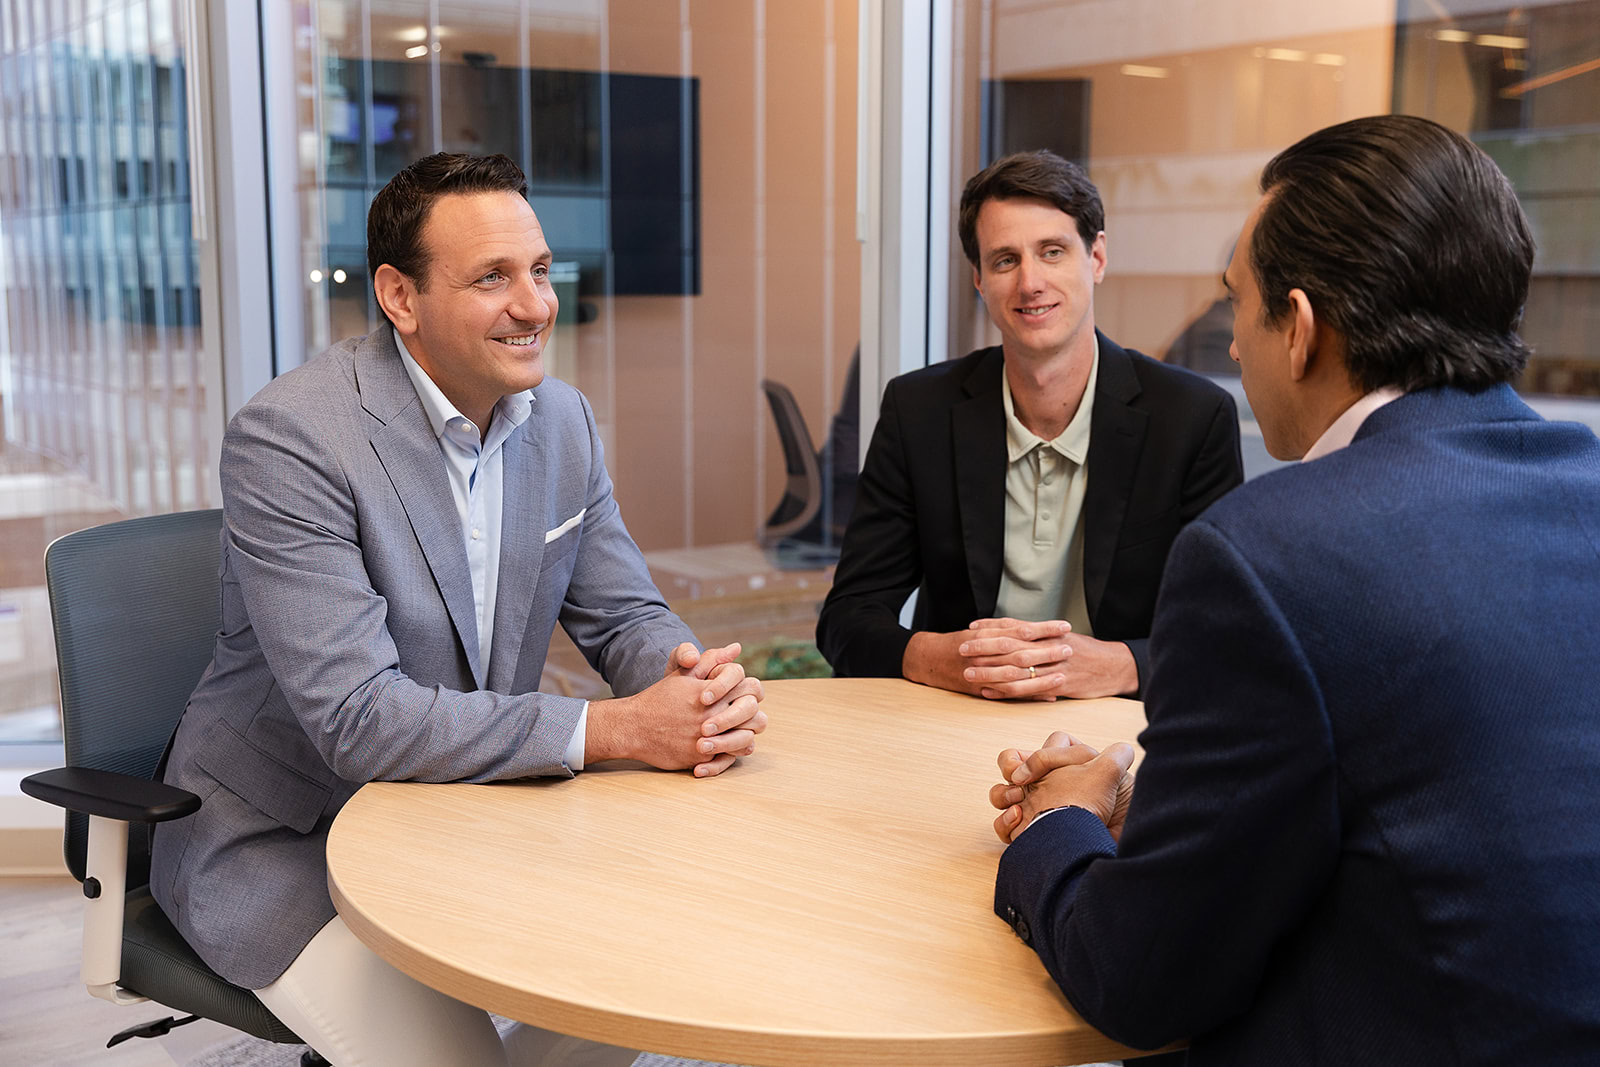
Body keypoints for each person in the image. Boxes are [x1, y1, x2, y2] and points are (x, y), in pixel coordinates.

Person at [989, 115, 1600, 1064]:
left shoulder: (1265, 557)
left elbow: (1140, 981)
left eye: (1238, 305)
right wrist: (1143, 780)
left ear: (1302, 329)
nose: (1232, 346)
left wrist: (1056, 821)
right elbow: (1438, 768)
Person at [149, 153, 768, 1067]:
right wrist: (616, 731)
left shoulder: (561, 421)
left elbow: (626, 614)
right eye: (492, 278)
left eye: (541, 270)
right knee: (457, 1059)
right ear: (400, 297)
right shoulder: (293, 438)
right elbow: (359, 720)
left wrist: (695, 690)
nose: (535, 305)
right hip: (291, 840)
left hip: (468, 818)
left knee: (643, 976)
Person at [817, 150, 1242, 699]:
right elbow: (847, 618)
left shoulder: (1191, 417)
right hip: (955, 719)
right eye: (1004, 261)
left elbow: (1226, 631)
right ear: (979, 280)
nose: (1030, 282)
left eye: (1053, 252)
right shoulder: (918, 410)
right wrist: (942, 658)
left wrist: (1121, 664)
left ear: (1097, 257)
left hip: (1119, 734)